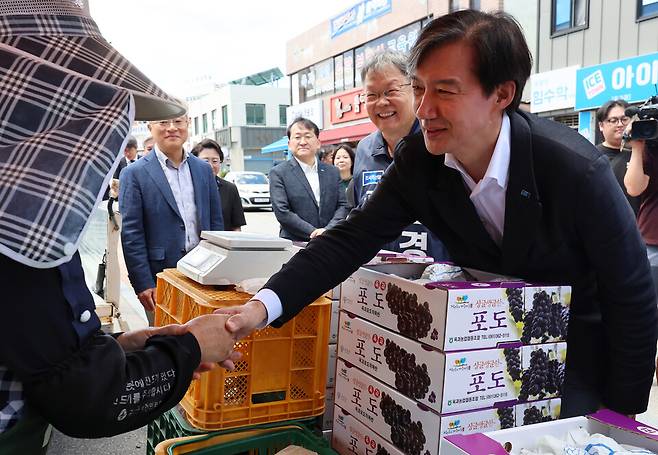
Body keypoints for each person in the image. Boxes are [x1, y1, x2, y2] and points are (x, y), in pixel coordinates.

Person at [219, 10, 658, 420]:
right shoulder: (420, 164)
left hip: (571, 358)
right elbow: (349, 240)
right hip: (479, 358)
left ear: (502, 93)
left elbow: (632, 292)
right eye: (419, 88)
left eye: (444, 91)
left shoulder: (572, 168)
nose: (424, 109)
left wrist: (620, 417)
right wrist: (256, 312)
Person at [0, 2, 237, 452]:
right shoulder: (15, 230)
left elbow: (40, 340)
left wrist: (120, 344)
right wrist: (189, 351)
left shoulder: (27, 218)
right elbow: (81, 395)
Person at [120, 116, 223, 323]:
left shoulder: (203, 170)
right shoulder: (134, 173)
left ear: (188, 124)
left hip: (203, 273)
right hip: (161, 276)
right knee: (165, 340)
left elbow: (216, 223)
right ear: (150, 127)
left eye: (178, 122)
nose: (172, 128)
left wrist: (219, 273)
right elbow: (132, 234)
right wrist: (143, 283)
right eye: (163, 123)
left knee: (206, 338)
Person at [352, 50, 449, 259]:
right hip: (380, 278)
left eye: (391, 91)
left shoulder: (441, 142)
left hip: (440, 279)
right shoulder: (364, 149)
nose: (381, 102)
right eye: (372, 95)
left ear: (415, 90)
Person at [269, 117, 349, 241]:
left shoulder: (332, 172)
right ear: (289, 144)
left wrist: (328, 230)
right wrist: (314, 232)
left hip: (330, 241)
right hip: (295, 243)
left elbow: (343, 205)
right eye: (297, 137)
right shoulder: (279, 173)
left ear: (318, 143)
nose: (303, 142)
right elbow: (282, 212)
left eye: (307, 136)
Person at [191, 138, 246, 231]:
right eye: (205, 161)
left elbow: (236, 227)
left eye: (215, 161)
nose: (210, 165)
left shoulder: (230, 189)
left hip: (222, 244)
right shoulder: (188, 187)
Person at [596, 99, 640, 215]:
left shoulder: (640, 152)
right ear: (601, 125)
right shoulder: (592, 156)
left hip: (640, 226)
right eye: (613, 120)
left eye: (624, 119)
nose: (620, 124)